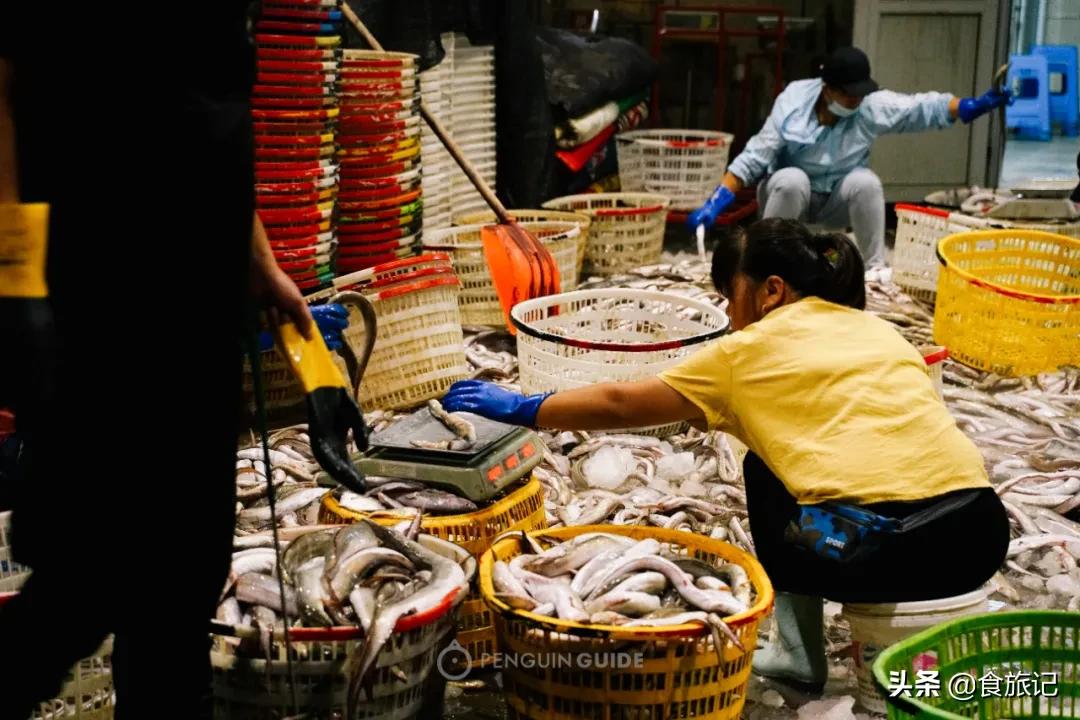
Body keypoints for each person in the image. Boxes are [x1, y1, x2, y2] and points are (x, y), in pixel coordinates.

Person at [442, 218, 1009, 692]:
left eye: (729, 292)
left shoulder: (745, 351)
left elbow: (619, 403)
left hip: (879, 553)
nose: (728, 309)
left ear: (771, 290)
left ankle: (797, 655)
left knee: (763, 471)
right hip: (980, 533)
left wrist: (524, 407)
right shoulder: (879, 331)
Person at [0, 4, 318, 717]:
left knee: (185, 571)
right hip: (90, 290)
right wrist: (14, 276)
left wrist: (257, 260)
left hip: (198, 302)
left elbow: (210, 110)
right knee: (83, 576)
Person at [687, 47, 1012, 268]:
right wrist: (717, 200)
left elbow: (921, 108)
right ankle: (767, 263)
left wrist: (972, 106)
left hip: (835, 201)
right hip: (788, 197)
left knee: (866, 182)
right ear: (827, 88)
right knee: (791, 179)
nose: (856, 101)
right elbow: (755, 156)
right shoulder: (794, 103)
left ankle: (875, 270)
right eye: (848, 94)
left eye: (860, 94)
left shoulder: (870, 105)